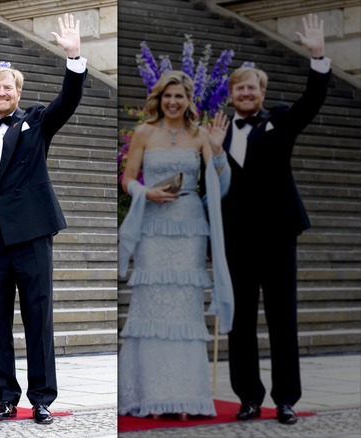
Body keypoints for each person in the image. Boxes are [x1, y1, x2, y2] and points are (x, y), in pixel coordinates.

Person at [0, 14, 87, 425]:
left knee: (39, 316)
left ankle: (41, 399)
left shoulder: (37, 119)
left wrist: (73, 57)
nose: (1, 92)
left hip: (33, 233)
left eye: (8, 87)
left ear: (17, 92)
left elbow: (67, 102)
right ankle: (3, 396)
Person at [222, 14, 331, 426]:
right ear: (230, 94)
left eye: (252, 87)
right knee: (241, 323)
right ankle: (248, 397)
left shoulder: (280, 120)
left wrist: (318, 57)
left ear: (261, 92)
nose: (246, 93)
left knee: (283, 321)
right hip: (236, 240)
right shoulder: (218, 131)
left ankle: (286, 399)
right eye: (239, 87)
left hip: (278, 235)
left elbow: (311, 103)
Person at [117, 70, 234, 420]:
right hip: (152, 222)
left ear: (188, 100)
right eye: (167, 96)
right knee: (150, 306)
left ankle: (185, 396)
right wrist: (145, 191)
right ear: (159, 98)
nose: (173, 102)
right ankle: (150, 395)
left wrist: (216, 151)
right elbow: (127, 179)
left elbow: (221, 184)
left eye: (179, 96)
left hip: (189, 225)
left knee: (184, 308)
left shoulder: (200, 135)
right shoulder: (143, 132)